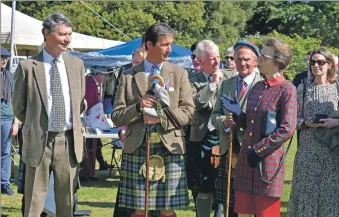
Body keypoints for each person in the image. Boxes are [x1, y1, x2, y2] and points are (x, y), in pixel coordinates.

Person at [112, 22, 195, 217]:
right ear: (149, 45)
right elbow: (116, 116)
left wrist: (162, 118)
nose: (169, 49)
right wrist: (139, 109)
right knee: (140, 210)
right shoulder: (129, 76)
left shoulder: (179, 73)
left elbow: (188, 111)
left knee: (167, 210)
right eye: (165, 44)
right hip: (138, 147)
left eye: (171, 44)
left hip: (170, 146)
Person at [13, 12, 85, 217]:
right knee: (34, 201)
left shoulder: (76, 65)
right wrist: (36, 124)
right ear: (46, 33)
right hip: (38, 140)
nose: (67, 39)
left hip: (68, 141)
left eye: (69, 34)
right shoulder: (27, 67)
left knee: (66, 203)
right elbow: (19, 106)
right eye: (62, 34)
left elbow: (78, 102)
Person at [221, 37, 297, 217]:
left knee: (266, 214)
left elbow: (287, 128)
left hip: (268, 165)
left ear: (276, 61)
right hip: (247, 163)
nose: (259, 59)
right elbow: (250, 124)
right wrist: (239, 115)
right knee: (243, 213)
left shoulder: (287, 89)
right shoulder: (257, 87)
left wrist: (259, 150)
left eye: (264, 55)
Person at [211, 40, 262, 217]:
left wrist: (242, 119)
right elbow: (214, 114)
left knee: (250, 204)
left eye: (247, 59)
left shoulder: (263, 85)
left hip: (252, 151)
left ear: (256, 61)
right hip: (229, 149)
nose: (242, 63)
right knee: (229, 203)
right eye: (238, 59)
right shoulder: (227, 84)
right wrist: (224, 122)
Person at [287, 47, 339, 217]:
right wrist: (306, 122)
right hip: (307, 152)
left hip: (331, 153)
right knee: (305, 197)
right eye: (313, 62)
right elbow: (292, 120)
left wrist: (335, 122)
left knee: (329, 198)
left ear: (329, 64)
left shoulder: (337, 89)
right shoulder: (302, 89)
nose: (316, 65)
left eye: (320, 62)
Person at [188, 40, 224, 217]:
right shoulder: (191, 80)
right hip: (201, 138)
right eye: (211, 59)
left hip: (223, 137)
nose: (217, 62)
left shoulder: (230, 78)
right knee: (201, 185)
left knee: (222, 184)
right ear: (200, 61)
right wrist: (211, 85)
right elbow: (199, 103)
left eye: (218, 57)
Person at [83, 69, 113, 180]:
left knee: (96, 146)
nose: (105, 76)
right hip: (91, 123)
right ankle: (89, 174)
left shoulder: (91, 81)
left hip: (93, 122)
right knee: (91, 148)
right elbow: (89, 104)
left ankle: (94, 170)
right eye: (104, 74)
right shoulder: (90, 84)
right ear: (98, 73)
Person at [1, 47, 19, 195]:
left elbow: (15, 102)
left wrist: (15, 123)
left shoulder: (10, 77)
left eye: (6, 58)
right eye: (1, 57)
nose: (3, 60)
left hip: (7, 118)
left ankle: (4, 183)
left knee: (6, 152)